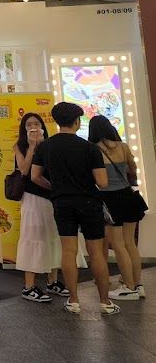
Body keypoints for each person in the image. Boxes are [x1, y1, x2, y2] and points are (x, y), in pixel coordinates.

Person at [31, 102, 118, 315]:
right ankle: (105, 302)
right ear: (77, 121)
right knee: (96, 252)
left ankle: (73, 300)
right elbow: (103, 182)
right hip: (89, 202)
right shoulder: (89, 148)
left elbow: (35, 176)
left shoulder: (46, 146)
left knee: (68, 252)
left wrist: (54, 187)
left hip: (61, 202)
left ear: (56, 121)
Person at [12, 113, 67, 302]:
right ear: (24, 128)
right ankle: (29, 286)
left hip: (51, 196)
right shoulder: (19, 146)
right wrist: (33, 147)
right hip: (31, 197)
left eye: (37, 123)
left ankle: (53, 281)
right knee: (33, 237)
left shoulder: (50, 144)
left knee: (52, 237)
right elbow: (25, 170)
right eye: (29, 124)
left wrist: (43, 146)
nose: (33, 127)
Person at [88, 115, 144, 300]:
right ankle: (138, 284)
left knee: (118, 245)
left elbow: (95, 178)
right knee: (130, 244)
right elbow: (132, 169)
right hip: (128, 196)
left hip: (110, 200)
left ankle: (128, 287)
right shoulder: (123, 146)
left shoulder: (95, 150)